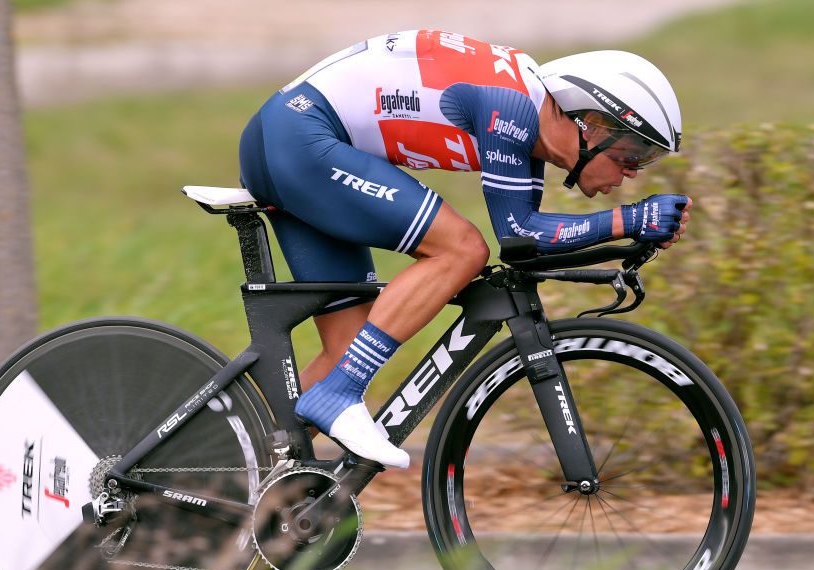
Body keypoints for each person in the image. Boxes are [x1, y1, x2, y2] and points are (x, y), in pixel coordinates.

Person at [238, 29, 691, 469]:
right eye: (633, 154)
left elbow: (525, 245)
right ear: (590, 124)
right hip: (301, 138)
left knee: (347, 350)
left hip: (289, 136)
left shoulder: (527, 122)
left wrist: (633, 232)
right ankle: (339, 394)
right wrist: (630, 220)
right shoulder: (511, 106)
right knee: (460, 250)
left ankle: (231, 459)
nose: (633, 172)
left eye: (645, 161)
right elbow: (521, 232)